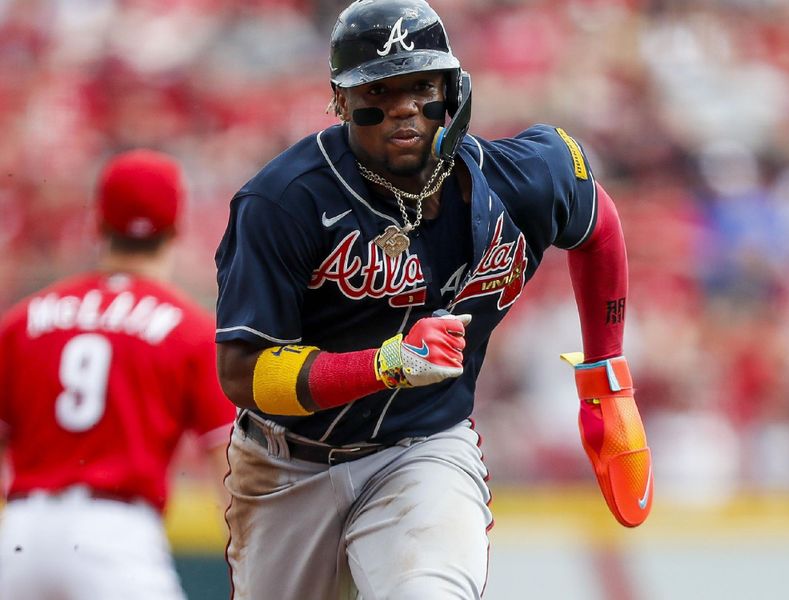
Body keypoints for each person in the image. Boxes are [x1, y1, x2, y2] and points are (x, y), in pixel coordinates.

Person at [215, 0, 654, 598]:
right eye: (378, 91)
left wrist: (608, 375)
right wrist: (386, 363)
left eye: (421, 86)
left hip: (423, 447)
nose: (403, 109)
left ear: (453, 89)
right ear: (340, 102)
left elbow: (597, 221)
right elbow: (243, 373)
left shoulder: (522, 179)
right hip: (289, 463)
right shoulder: (283, 201)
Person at [0, 149, 237, 599]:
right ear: (177, 227)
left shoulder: (23, 319)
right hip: (117, 535)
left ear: (98, 223)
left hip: (20, 535)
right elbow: (227, 468)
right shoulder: (189, 329)